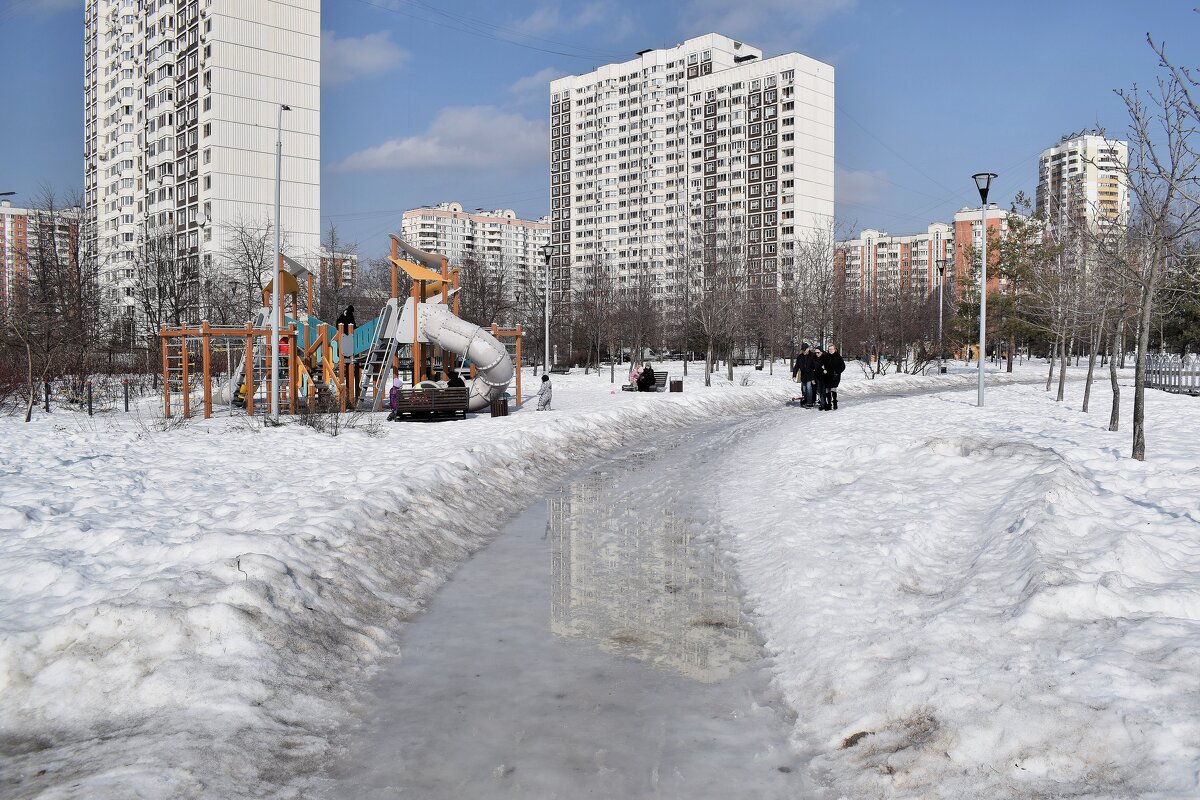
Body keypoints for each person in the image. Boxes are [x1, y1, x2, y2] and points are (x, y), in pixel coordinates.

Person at [822, 343, 846, 410]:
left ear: (835, 349)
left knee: (833, 389)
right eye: (829, 349)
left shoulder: (838, 357)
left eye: (832, 349)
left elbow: (843, 366)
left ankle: (835, 403)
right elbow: (823, 365)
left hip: (835, 376)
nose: (830, 350)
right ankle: (829, 404)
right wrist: (823, 369)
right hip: (827, 376)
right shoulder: (826, 356)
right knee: (827, 390)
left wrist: (837, 372)